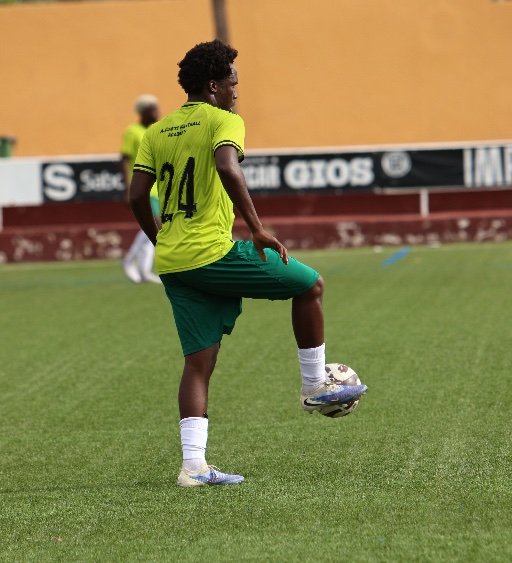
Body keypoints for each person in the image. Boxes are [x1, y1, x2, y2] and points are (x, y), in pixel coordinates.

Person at [129, 40, 367, 487]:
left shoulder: (156, 132)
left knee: (199, 362)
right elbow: (226, 166)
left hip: (174, 260)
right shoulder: (225, 121)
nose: (238, 90)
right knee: (310, 284)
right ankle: (316, 384)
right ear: (214, 85)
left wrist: (157, 237)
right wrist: (256, 227)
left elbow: (136, 196)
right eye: (234, 82)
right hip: (212, 252)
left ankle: (193, 467)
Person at [121, 95, 162, 284]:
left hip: (159, 186)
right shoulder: (132, 131)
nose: (156, 112)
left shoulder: (158, 130)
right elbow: (125, 159)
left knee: (155, 228)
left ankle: (144, 270)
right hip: (142, 186)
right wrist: (127, 186)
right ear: (143, 112)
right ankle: (130, 259)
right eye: (152, 109)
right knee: (155, 224)